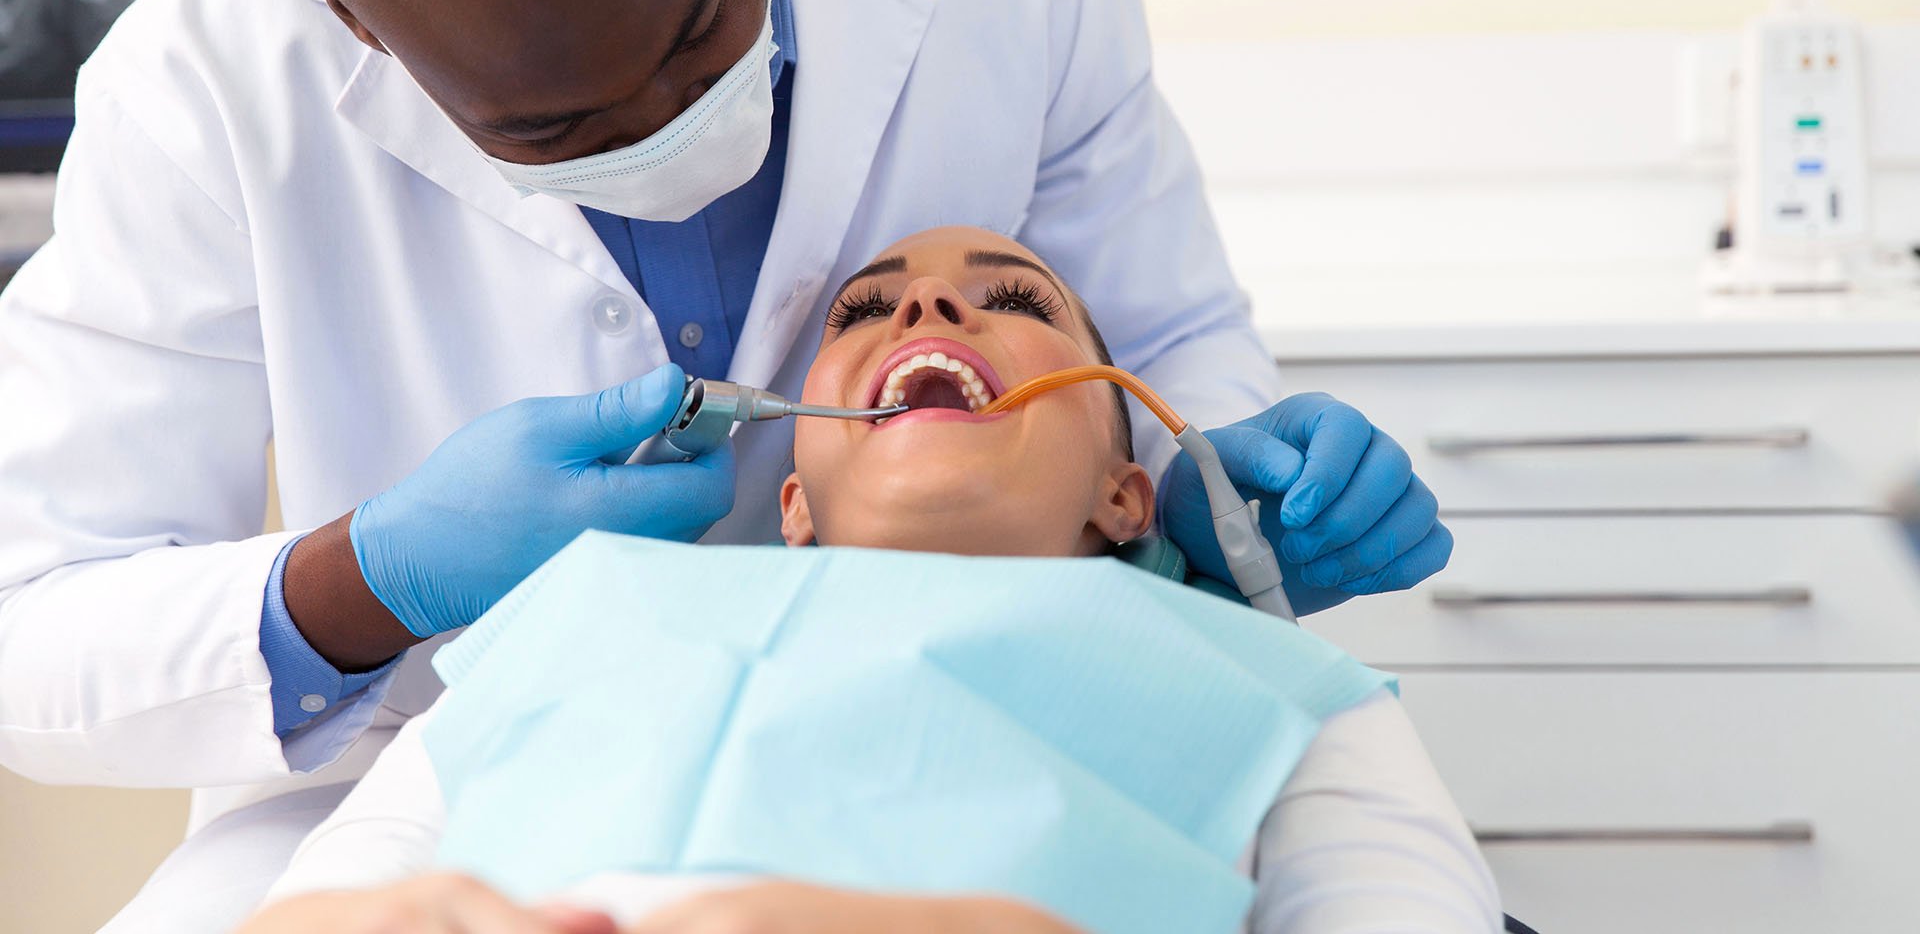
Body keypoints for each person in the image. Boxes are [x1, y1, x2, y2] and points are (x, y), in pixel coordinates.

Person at [0, 0, 1449, 928]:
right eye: (558, 131)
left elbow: (1169, 343)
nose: (668, 124)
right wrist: (370, 578)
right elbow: (35, 628)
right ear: (353, 29)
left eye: (701, 29)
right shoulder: (202, 81)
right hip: (455, 758)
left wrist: (1212, 504)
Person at [239, 227, 1500, 934]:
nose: (934, 302)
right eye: (862, 310)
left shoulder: (1285, 690)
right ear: (792, 500)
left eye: (1013, 300)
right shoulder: (568, 620)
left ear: (1129, 491)